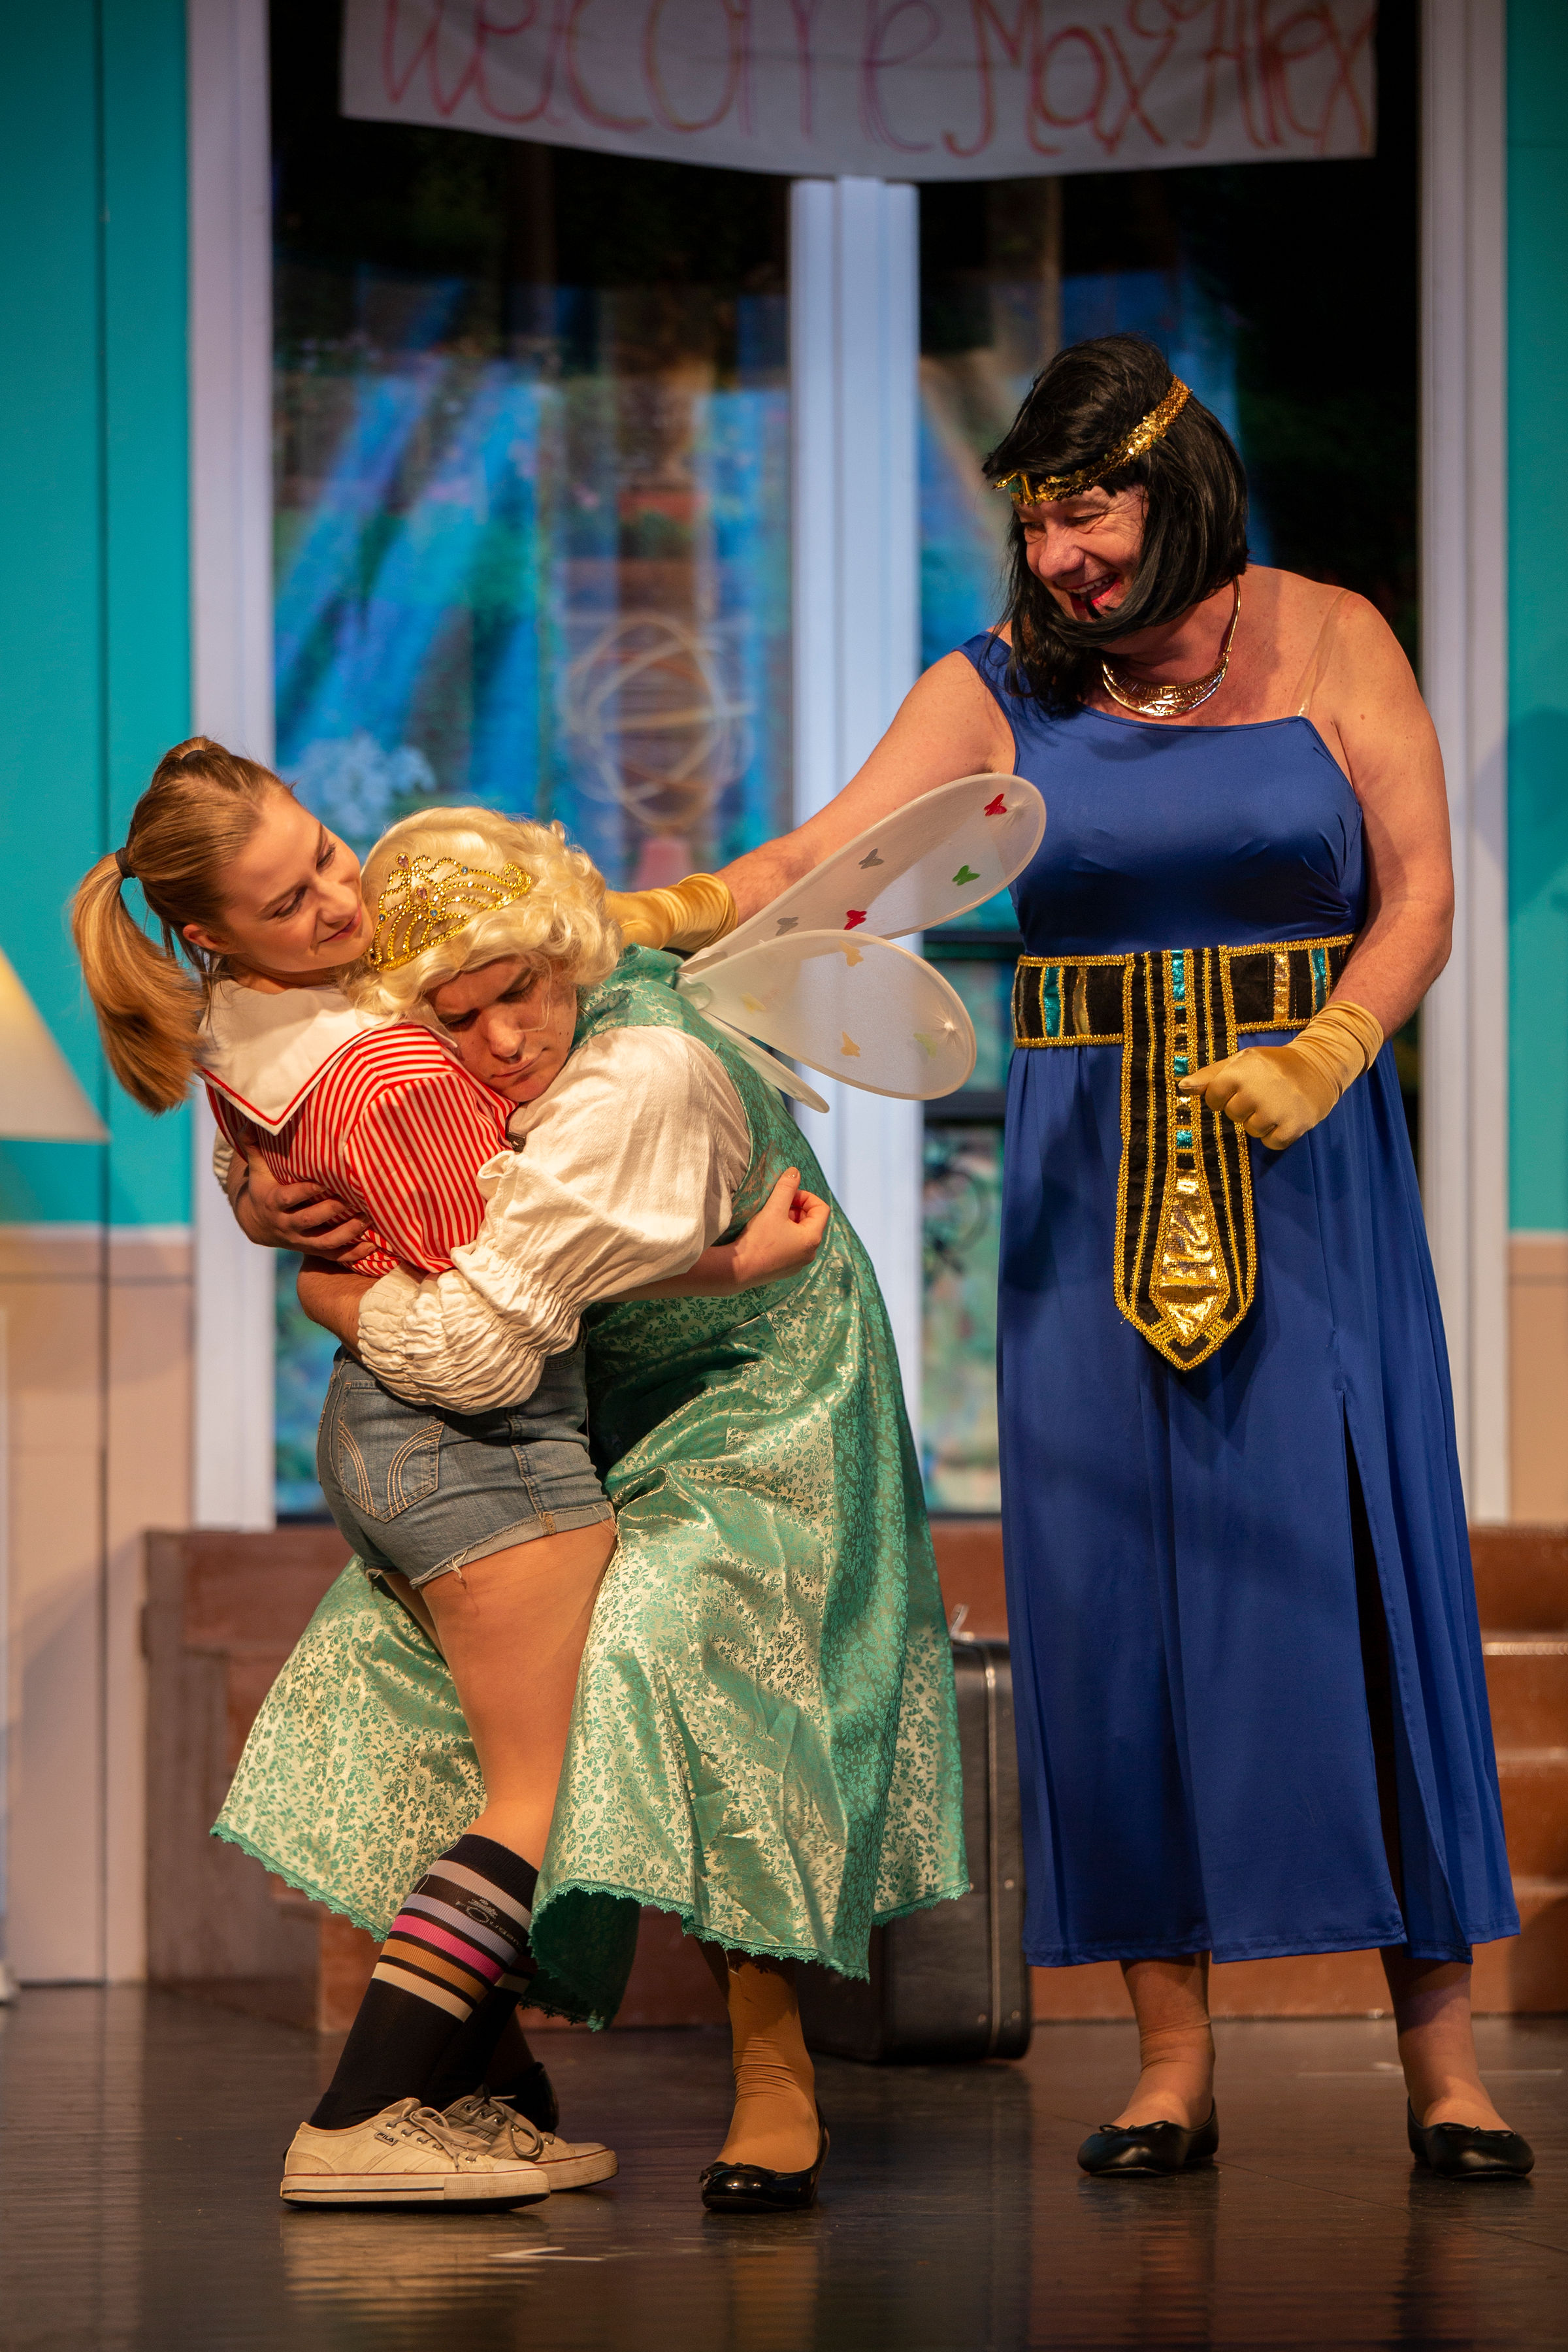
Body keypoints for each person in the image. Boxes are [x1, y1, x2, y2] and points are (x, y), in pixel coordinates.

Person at [710, 333, 1533, 2182]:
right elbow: (832, 862)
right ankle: (1172, 2060)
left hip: (1306, 1164)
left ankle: (1444, 2060)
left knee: (1363, 1560)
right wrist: (661, 909)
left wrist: (1334, 1044)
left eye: (1089, 517)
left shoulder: (1333, 636)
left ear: (1181, 485)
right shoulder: (995, 685)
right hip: (1087, 1180)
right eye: (1038, 526)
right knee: (1117, 1591)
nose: (1061, 561)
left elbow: (1420, 893)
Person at [159, 788, 968, 2214]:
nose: (502, 1042)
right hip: (555, 1411)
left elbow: (476, 1341)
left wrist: (326, 1290)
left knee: (668, 1640)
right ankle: (468, 2085)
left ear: (563, 955)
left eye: (521, 995)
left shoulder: (636, 1079)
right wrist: (257, 1192)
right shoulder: (387, 1015)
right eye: (459, 1017)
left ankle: (766, 2064)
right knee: (407, 1686)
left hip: (751, 1400)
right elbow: (299, 1090)